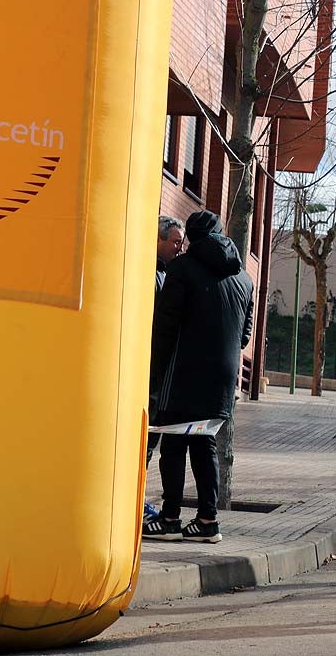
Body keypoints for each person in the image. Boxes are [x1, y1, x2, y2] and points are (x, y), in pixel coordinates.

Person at [143, 210, 254, 544]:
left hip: (183, 376)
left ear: (191, 237)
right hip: (222, 380)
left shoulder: (181, 270)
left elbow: (165, 329)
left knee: (175, 444)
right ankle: (208, 520)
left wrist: (154, 376)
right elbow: (245, 337)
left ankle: (170, 518)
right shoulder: (244, 279)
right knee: (204, 444)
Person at [144, 216, 185, 523]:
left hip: (157, 373)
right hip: (148, 370)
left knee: (149, 442)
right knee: (144, 442)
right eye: (174, 241)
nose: (179, 247)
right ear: (158, 240)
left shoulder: (167, 272)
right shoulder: (151, 273)